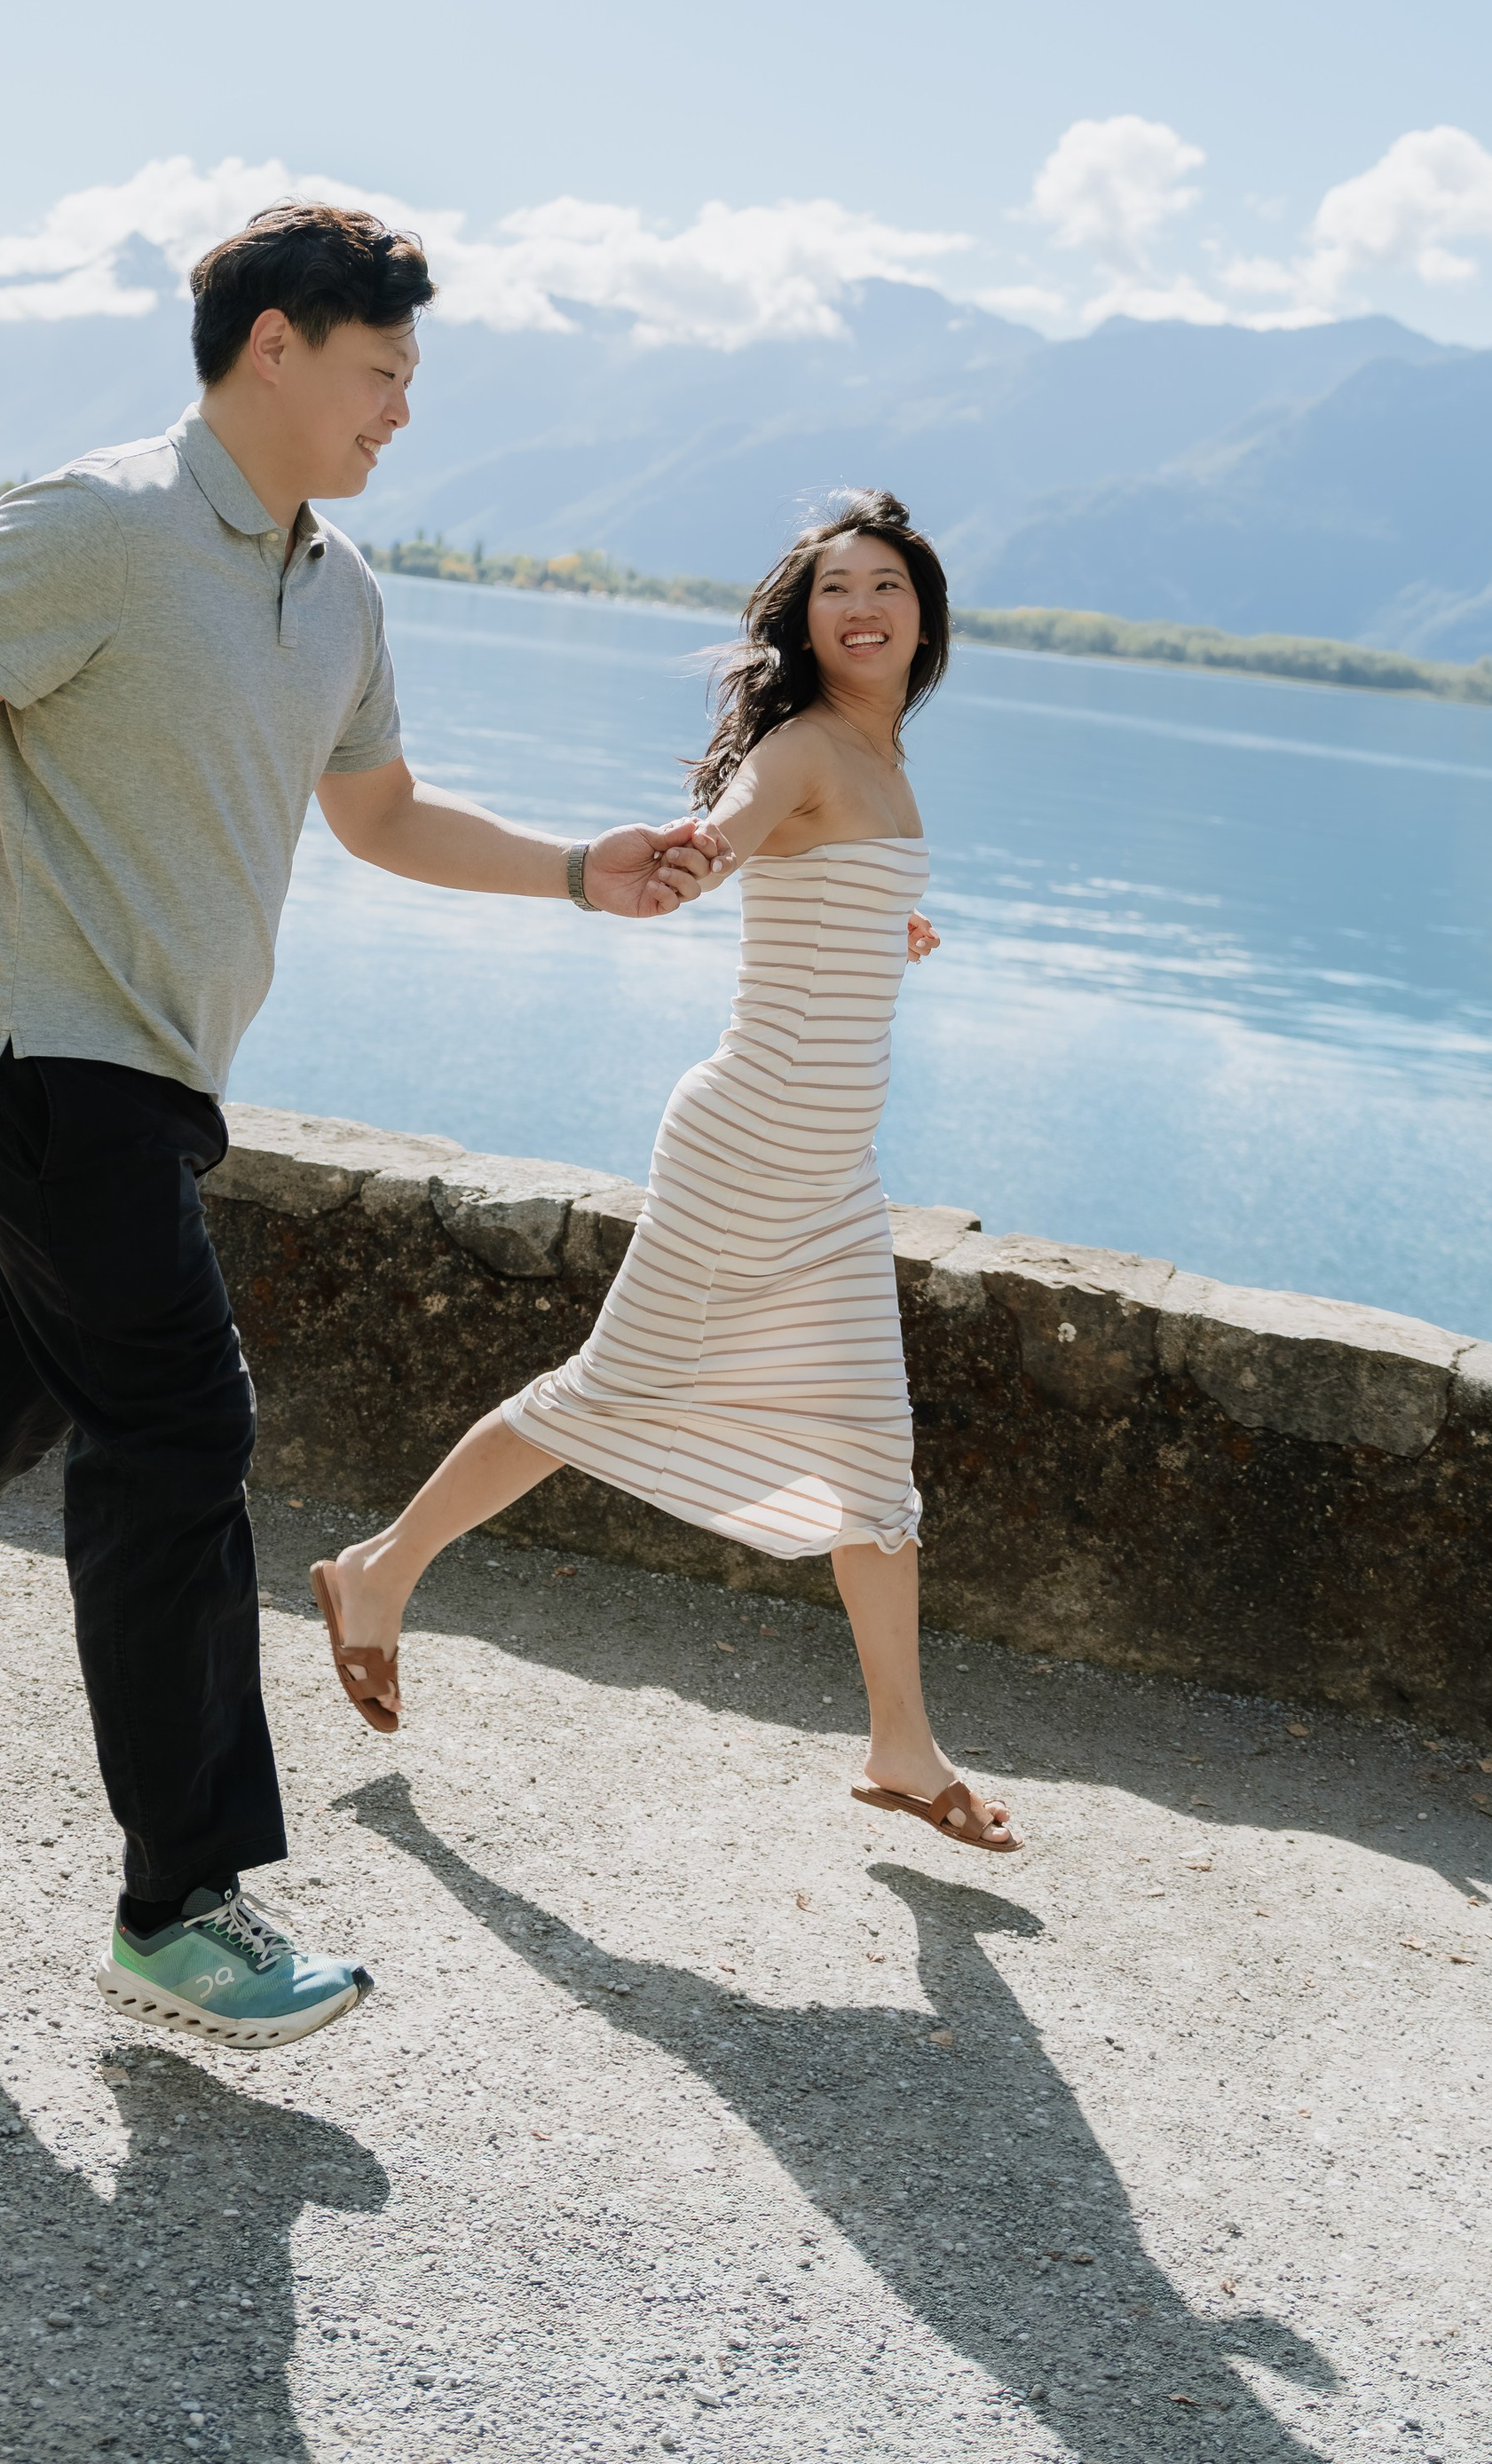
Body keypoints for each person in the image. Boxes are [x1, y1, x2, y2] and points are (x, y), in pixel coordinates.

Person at [0, 201, 723, 2049]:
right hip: (27, 1057)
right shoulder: (95, 524)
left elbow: (383, 814)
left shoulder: (334, 591)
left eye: (410, 378)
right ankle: (179, 1903)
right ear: (271, 343)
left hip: (158, 1077)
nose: (401, 409)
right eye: (379, 371)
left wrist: (586, 871)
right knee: (179, 1423)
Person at [305, 488, 1021, 1854]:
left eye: (886, 587)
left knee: (875, 1456)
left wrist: (888, 923)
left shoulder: (881, 756)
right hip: (750, 1147)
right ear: (803, 626)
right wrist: (692, 857)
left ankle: (899, 1745)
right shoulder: (810, 744)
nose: (862, 607)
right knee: (604, 1394)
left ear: (924, 615)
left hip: (829, 1170)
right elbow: (746, 823)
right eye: (835, 591)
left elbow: (831, 882)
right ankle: (378, 1573)